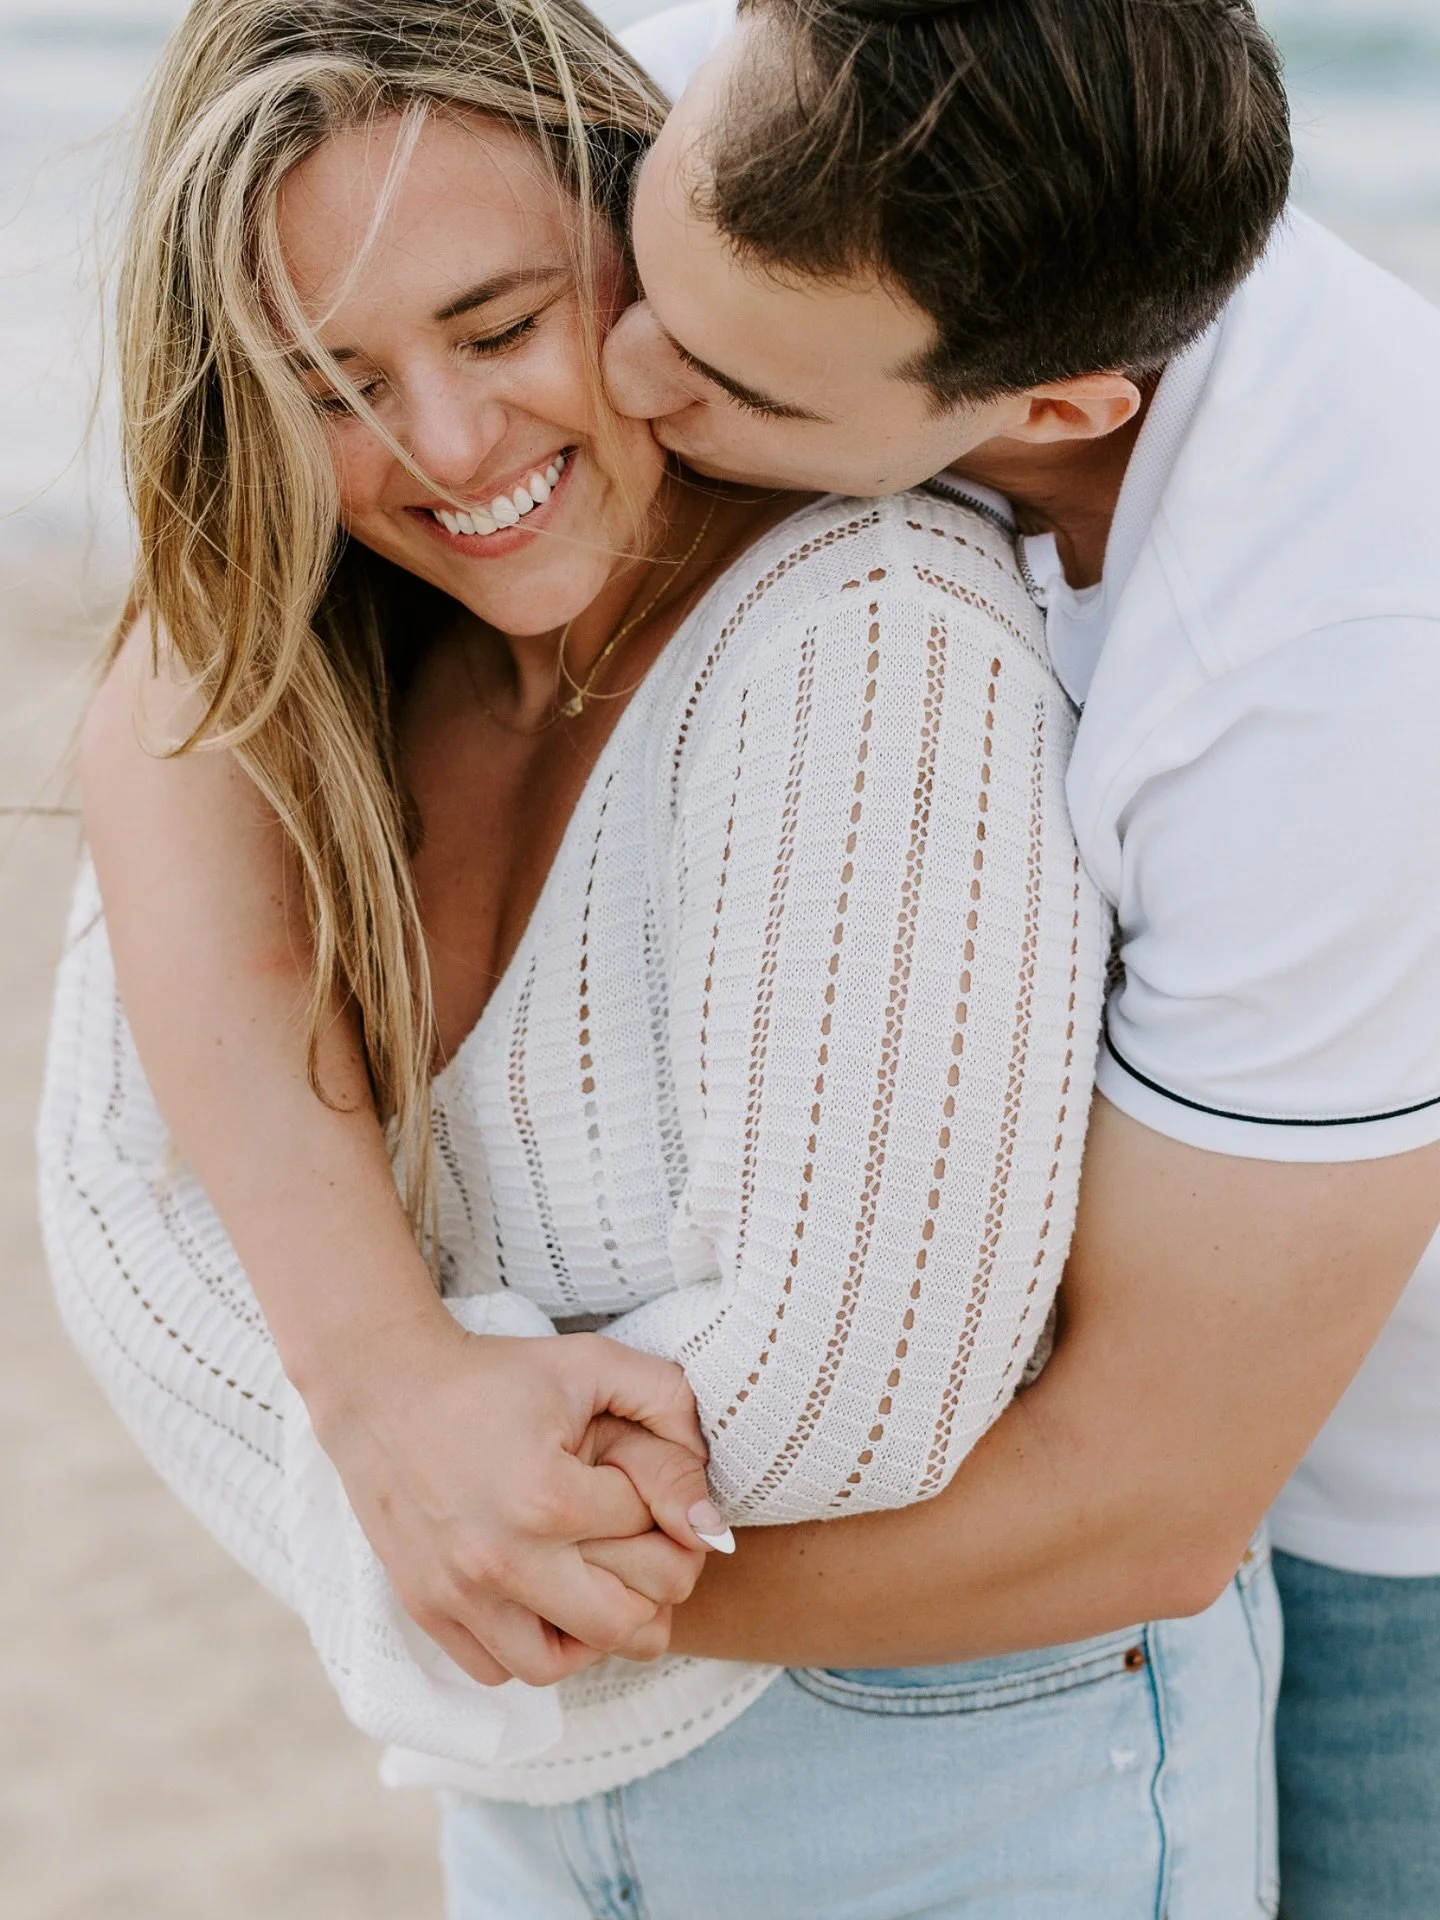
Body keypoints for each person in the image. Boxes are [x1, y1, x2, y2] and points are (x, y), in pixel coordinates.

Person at [43, 0, 1440, 1910]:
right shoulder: (706, 102)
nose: (623, 375)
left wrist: (479, 1558)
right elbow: (183, 686)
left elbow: (1146, 1501)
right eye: (638, 278)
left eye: (722, 377)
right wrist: (382, 1393)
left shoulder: (1337, 645)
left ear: (1037, 423)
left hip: (1362, 1492)